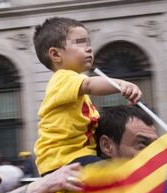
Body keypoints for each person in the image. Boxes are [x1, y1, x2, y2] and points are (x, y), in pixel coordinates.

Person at [33, 17, 142, 176]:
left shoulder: (75, 92)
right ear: (56, 54)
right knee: (119, 175)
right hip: (64, 159)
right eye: (80, 42)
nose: (89, 49)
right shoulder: (62, 78)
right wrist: (122, 85)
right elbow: (90, 85)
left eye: (88, 43)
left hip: (81, 156)